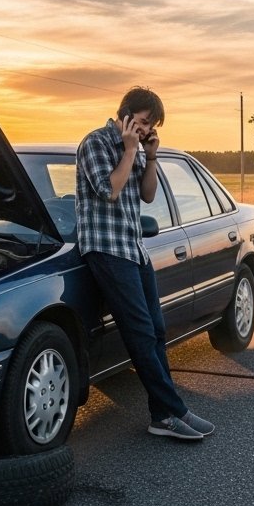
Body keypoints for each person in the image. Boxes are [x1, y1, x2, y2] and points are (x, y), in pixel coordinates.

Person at [75, 87, 215, 441]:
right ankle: (174, 411)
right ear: (125, 115)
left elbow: (147, 195)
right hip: (106, 250)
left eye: (151, 127)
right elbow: (110, 190)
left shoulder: (138, 148)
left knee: (155, 330)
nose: (146, 130)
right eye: (142, 123)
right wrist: (130, 149)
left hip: (134, 249)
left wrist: (150, 156)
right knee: (138, 332)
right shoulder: (95, 143)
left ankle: (160, 415)